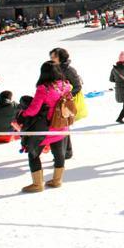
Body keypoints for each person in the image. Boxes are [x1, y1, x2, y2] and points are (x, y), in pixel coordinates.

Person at [18, 61, 73, 192]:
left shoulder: (44, 88)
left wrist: (22, 114)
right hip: (61, 126)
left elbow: (34, 109)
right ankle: (57, 180)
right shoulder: (66, 86)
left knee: (33, 154)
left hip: (45, 128)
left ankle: (37, 184)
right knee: (59, 155)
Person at [50, 48, 81, 160]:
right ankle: (61, 151)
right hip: (53, 102)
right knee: (57, 126)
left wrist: (66, 97)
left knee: (63, 126)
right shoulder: (52, 69)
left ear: (61, 58)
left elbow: (77, 86)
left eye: (54, 57)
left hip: (64, 104)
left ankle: (66, 151)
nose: (52, 59)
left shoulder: (69, 70)